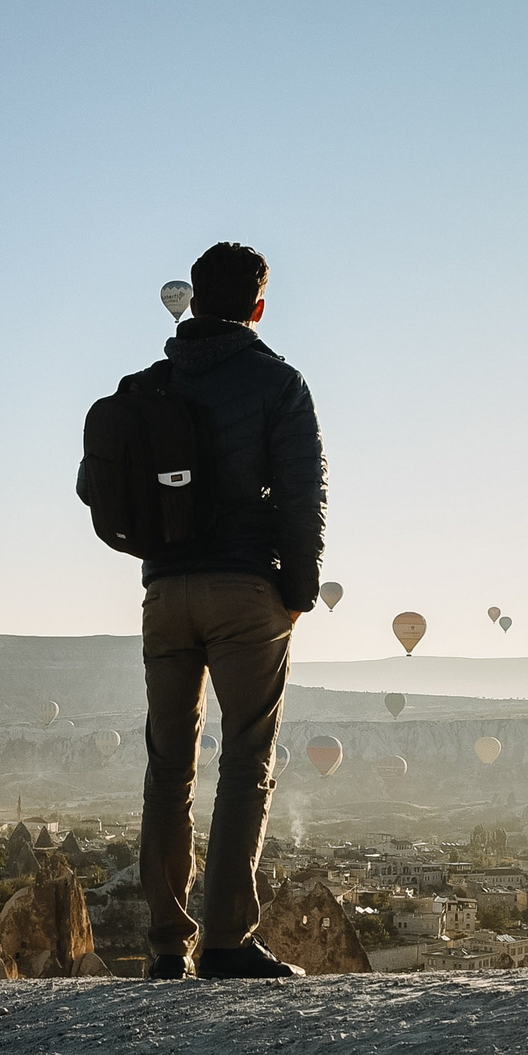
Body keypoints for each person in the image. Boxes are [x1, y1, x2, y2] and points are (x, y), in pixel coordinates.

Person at [94, 241, 325, 979]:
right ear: (258, 306)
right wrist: (299, 589)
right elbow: (301, 494)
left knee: (168, 768)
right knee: (246, 759)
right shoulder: (277, 381)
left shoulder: (149, 386)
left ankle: (166, 946)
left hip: (164, 592)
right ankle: (226, 941)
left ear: (192, 300)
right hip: (244, 589)